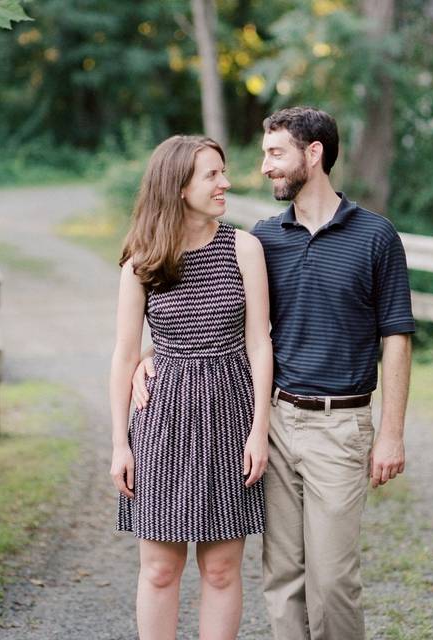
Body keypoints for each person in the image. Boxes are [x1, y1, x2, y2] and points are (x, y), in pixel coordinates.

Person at [132, 107, 415, 639]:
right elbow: (228, 321)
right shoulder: (264, 239)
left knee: (331, 581)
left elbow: (396, 337)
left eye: (275, 153)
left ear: (314, 154)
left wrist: (392, 432)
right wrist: (154, 353)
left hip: (340, 425)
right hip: (274, 422)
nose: (263, 168)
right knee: (281, 578)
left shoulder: (376, 237)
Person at [109, 134, 273, 640]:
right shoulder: (143, 260)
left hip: (230, 414)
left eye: (223, 172)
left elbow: (260, 345)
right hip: (162, 422)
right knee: (160, 570)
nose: (225, 183)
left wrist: (259, 431)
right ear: (178, 186)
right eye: (212, 175)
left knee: (221, 570)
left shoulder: (244, 248)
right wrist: (119, 443)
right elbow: (125, 354)